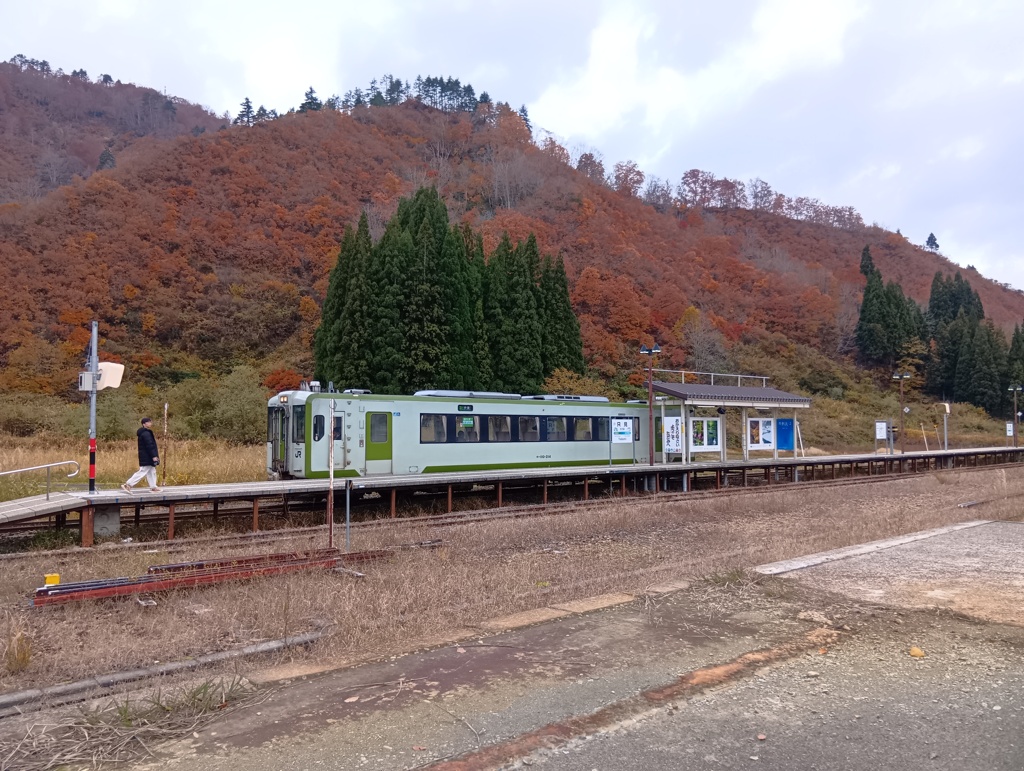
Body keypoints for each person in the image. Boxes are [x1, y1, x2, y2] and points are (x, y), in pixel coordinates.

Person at [122, 418, 162, 493]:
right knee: (143, 471)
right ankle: (128, 484)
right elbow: (150, 445)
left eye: (150, 422)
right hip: (147, 456)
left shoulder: (145, 433)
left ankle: (153, 487)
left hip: (147, 455)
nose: (150, 423)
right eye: (148, 422)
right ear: (144, 424)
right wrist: (154, 456)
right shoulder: (146, 434)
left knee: (152, 471)